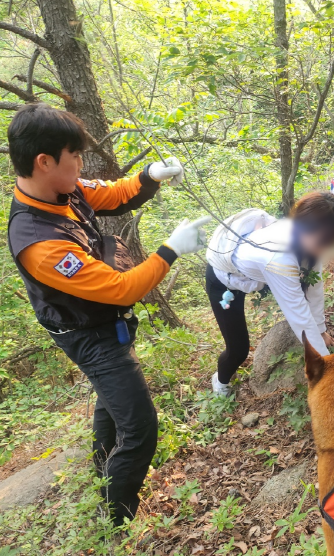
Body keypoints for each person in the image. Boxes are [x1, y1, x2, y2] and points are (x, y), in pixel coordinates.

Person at [6, 103, 207, 525]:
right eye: (73, 155)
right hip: (87, 335)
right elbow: (122, 288)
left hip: (101, 322)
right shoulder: (40, 242)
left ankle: (102, 471)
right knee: (140, 428)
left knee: (111, 404)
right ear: (44, 162)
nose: (80, 165)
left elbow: (113, 194)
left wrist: (150, 174)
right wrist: (170, 249)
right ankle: (116, 518)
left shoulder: (64, 189)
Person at [205, 192, 334, 396]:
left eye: (330, 241)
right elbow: (299, 316)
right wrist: (328, 371)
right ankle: (220, 383)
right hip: (223, 281)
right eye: (322, 241)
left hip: (255, 274)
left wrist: (322, 329)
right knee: (239, 349)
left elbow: (315, 288)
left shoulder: (310, 244)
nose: (324, 247)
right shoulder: (278, 257)